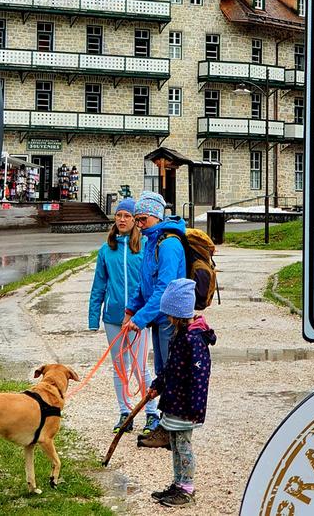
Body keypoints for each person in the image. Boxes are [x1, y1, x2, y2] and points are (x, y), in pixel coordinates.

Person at [88, 198, 160, 435]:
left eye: (127, 216)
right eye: (118, 215)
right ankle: (125, 412)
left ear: (135, 220)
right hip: (113, 317)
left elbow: (151, 283)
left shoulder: (146, 246)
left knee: (140, 367)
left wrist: (146, 313)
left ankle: (151, 412)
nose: (121, 220)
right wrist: (93, 317)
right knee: (119, 367)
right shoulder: (106, 250)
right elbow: (99, 285)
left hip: (139, 318)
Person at [122, 189, 187, 448]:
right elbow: (143, 282)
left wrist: (139, 318)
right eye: (137, 220)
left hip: (171, 320)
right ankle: (165, 425)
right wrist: (131, 309)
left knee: (172, 372)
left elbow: (164, 288)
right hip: (158, 319)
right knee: (162, 372)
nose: (138, 224)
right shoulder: (152, 242)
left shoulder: (169, 244)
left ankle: (173, 429)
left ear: (156, 217)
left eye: (142, 220)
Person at [149, 277, 216, 507]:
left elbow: (199, 378)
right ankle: (178, 484)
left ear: (177, 314)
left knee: (184, 446)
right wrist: (158, 385)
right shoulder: (180, 336)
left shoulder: (194, 341)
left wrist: (195, 409)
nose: (167, 319)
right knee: (175, 444)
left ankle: (187, 488)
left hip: (186, 407)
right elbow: (171, 369)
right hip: (174, 404)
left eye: (169, 315)